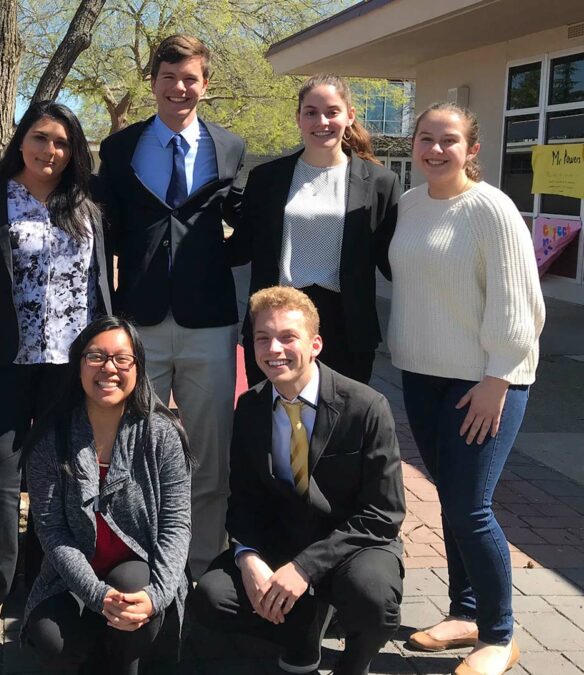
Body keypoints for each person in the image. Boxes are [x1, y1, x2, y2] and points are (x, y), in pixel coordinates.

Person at [390, 103, 545, 675]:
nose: (435, 149)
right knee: (451, 502)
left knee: (470, 506)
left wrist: (497, 379)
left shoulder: (491, 208)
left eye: (448, 140)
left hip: (481, 381)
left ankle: (500, 635)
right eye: (425, 138)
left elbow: (521, 303)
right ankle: (466, 612)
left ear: (472, 149)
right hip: (421, 376)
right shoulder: (409, 204)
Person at [191, 286, 405, 675]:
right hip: (282, 540)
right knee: (211, 597)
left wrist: (305, 568)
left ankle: (354, 664)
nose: (274, 350)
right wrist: (248, 557)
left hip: (351, 545)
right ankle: (301, 634)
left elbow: (383, 513)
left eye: (288, 337)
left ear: (315, 344)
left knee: (373, 600)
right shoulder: (251, 407)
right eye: (262, 338)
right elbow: (243, 499)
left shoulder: (366, 406)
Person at [96, 33, 246, 577]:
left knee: (210, 451)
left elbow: (245, 224)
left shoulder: (230, 147)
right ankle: (141, 559)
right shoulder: (119, 150)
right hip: (141, 322)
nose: (179, 87)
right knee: (138, 446)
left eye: (191, 79)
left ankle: (204, 562)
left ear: (204, 86)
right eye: (169, 77)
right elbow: (104, 233)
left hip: (210, 320)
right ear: (152, 81)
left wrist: (210, 256)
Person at [0, 100, 112, 630]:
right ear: (20, 140)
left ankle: (50, 575)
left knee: (60, 473)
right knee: (1, 470)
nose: (50, 151)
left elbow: (101, 285)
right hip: (11, 358)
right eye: (40, 138)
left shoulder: (87, 204)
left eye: (62, 142)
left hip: (72, 365)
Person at [23, 316, 191, 674]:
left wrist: (154, 597)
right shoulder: (51, 439)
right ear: (78, 364)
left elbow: (177, 526)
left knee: (133, 593)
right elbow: (52, 533)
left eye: (121, 359)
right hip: (71, 576)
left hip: (139, 570)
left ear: (138, 367)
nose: (108, 368)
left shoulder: (162, 435)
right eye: (95, 357)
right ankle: (97, 646)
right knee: (52, 640)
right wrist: (97, 597)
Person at [238, 74, 400, 385]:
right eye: (311, 112)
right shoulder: (266, 179)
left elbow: (394, 259)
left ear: (350, 116)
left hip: (347, 326)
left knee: (340, 426)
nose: (321, 121)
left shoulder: (381, 183)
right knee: (272, 422)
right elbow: (242, 245)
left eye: (332, 112)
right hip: (276, 319)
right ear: (298, 117)